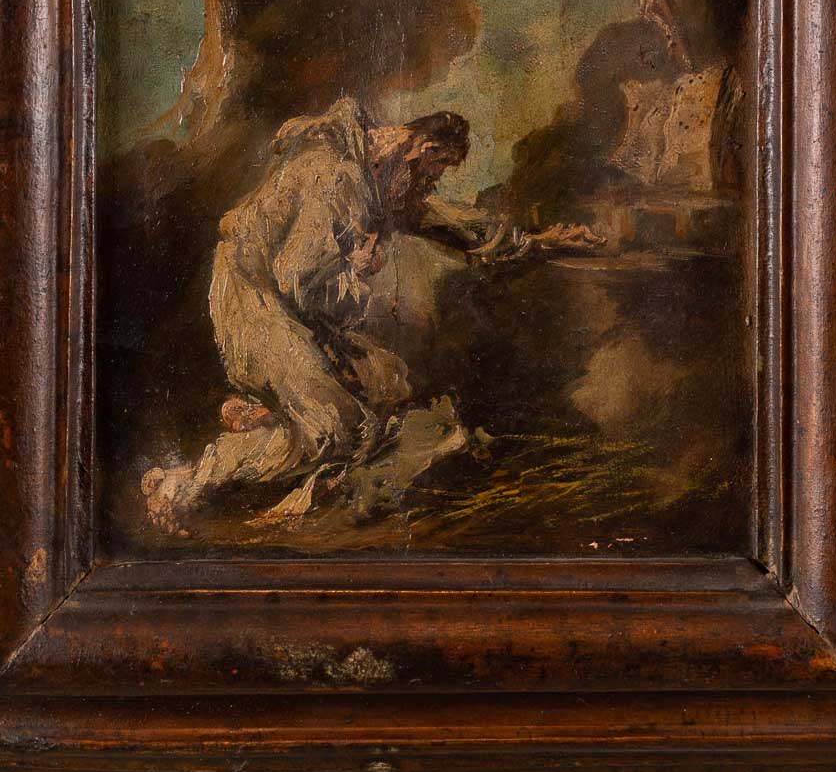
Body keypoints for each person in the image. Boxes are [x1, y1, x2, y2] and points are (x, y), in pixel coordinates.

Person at [142, 97, 601, 533]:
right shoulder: (336, 177)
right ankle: (186, 481)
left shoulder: (382, 172)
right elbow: (297, 279)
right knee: (336, 432)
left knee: (387, 386)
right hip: (254, 304)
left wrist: (536, 242)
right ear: (424, 150)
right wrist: (359, 272)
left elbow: (449, 223)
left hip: (294, 310)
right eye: (432, 175)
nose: (429, 188)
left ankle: (273, 414)